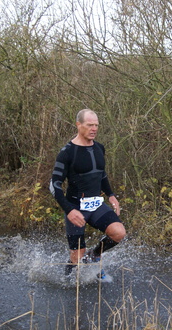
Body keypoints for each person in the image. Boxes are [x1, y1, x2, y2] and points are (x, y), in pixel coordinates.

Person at [49, 109, 126, 278]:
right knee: (76, 257)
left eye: (96, 125)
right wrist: (69, 210)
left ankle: (95, 255)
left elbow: (101, 174)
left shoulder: (99, 148)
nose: (94, 128)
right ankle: (66, 283)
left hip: (96, 204)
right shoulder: (67, 152)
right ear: (78, 125)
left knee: (118, 232)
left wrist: (111, 194)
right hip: (76, 206)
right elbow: (54, 185)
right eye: (90, 125)